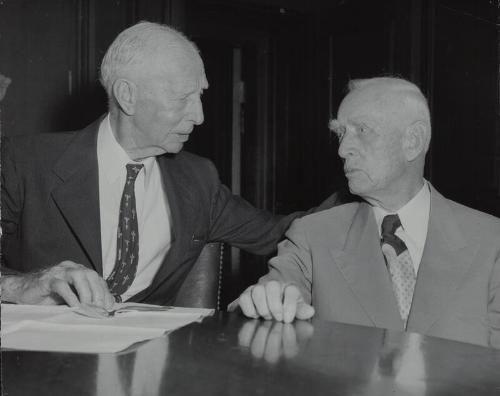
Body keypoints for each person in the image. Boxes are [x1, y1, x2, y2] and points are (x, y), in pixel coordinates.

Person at [0, 22, 337, 310]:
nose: (200, 116)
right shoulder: (24, 163)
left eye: (200, 95)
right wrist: (25, 285)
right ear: (127, 96)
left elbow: (281, 232)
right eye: (183, 99)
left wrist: (369, 199)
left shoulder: (198, 179)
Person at [231, 77, 500, 347]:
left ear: (413, 141)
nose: (342, 149)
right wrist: (262, 305)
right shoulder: (312, 236)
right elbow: (259, 309)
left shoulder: (492, 242)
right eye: (340, 133)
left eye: (361, 130)